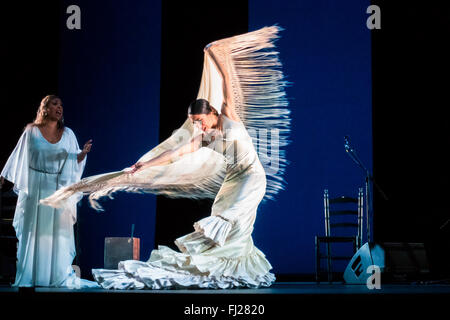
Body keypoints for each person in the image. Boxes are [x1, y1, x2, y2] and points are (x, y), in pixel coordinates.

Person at [42, 26, 290, 289]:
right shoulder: (204, 138)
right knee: (233, 233)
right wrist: (143, 164)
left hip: (251, 178)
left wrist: (215, 53)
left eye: (199, 120)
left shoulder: (229, 116)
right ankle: (225, 270)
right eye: (194, 122)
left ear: (211, 112)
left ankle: (229, 268)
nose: (198, 126)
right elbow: (174, 154)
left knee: (229, 220)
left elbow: (228, 81)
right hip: (231, 181)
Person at [0, 95, 97, 287]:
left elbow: (72, 161)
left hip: (57, 188)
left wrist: (82, 154)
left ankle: (55, 276)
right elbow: (17, 155)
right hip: (36, 188)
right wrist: (4, 174)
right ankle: (32, 275)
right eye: (54, 104)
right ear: (45, 109)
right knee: (34, 233)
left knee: (55, 235)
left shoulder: (68, 134)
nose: (59, 107)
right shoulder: (31, 131)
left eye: (61, 105)